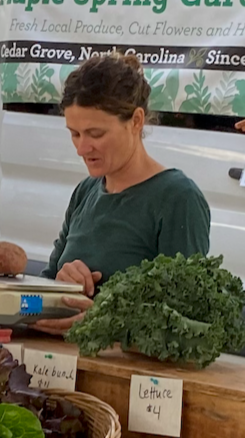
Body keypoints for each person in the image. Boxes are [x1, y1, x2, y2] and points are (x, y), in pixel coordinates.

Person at [34, 52, 211, 335]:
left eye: (95, 134)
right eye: (75, 134)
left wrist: (108, 322)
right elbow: (35, 296)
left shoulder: (178, 198)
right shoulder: (86, 191)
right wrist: (58, 284)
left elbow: (189, 321)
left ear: (136, 121)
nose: (81, 148)